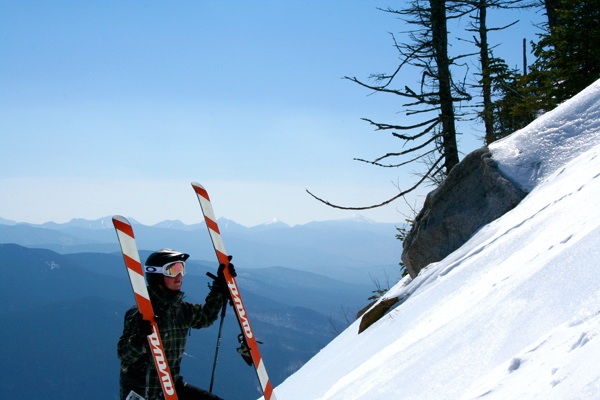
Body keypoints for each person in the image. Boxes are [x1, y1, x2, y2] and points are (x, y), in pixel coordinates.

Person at [118, 248, 233, 400]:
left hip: (170, 386)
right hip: (143, 392)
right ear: (157, 275)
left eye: (181, 269)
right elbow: (124, 354)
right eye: (172, 270)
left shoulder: (181, 310)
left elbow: (205, 317)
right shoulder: (140, 315)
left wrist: (219, 288)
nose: (179, 276)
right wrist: (140, 338)